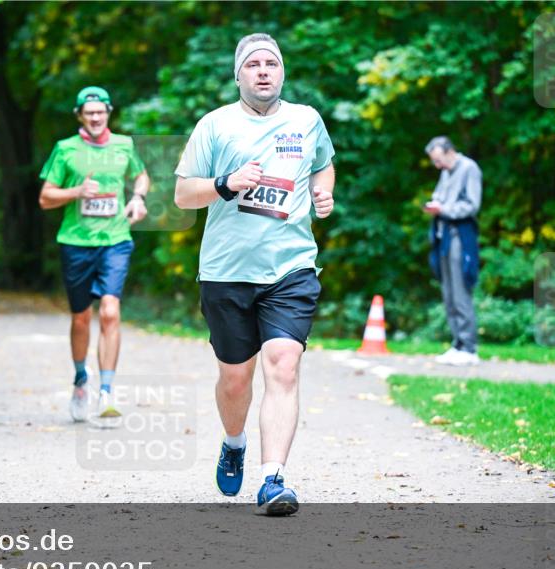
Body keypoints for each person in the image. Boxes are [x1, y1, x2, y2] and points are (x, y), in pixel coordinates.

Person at [173, 34, 335, 516]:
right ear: (238, 75)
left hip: (290, 267)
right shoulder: (215, 125)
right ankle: (234, 441)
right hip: (226, 271)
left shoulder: (307, 120)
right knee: (235, 380)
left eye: (272, 64)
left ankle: (273, 480)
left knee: (283, 364)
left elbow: (323, 167)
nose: (263, 71)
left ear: (282, 72)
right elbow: (183, 196)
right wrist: (226, 184)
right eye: (253, 65)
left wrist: (323, 195)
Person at [38, 86, 150, 422]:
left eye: (101, 112)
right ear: (80, 117)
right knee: (81, 317)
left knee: (111, 312)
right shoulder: (65, 150)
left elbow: (141, 175)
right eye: (89, 113)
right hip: (76, 243)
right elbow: (45, 198)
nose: (96, 118)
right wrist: (76, 191)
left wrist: (138, 198)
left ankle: (106, 392)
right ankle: (80, 380)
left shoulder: (124, 145)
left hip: (115, 239)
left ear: (109, 113)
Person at [424, 136, 482, 366]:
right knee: (448, 293)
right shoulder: (445, 171)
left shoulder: (469, 168)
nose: (437, 166)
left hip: (461, 236)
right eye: (434, 162)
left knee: (460, 291)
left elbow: (472, 205)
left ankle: (469, 348)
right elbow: (440, 195)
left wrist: (444, 209)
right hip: (443, 236)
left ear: (450, 151)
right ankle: (458, 344)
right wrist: (434, 204)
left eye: (439, 160)